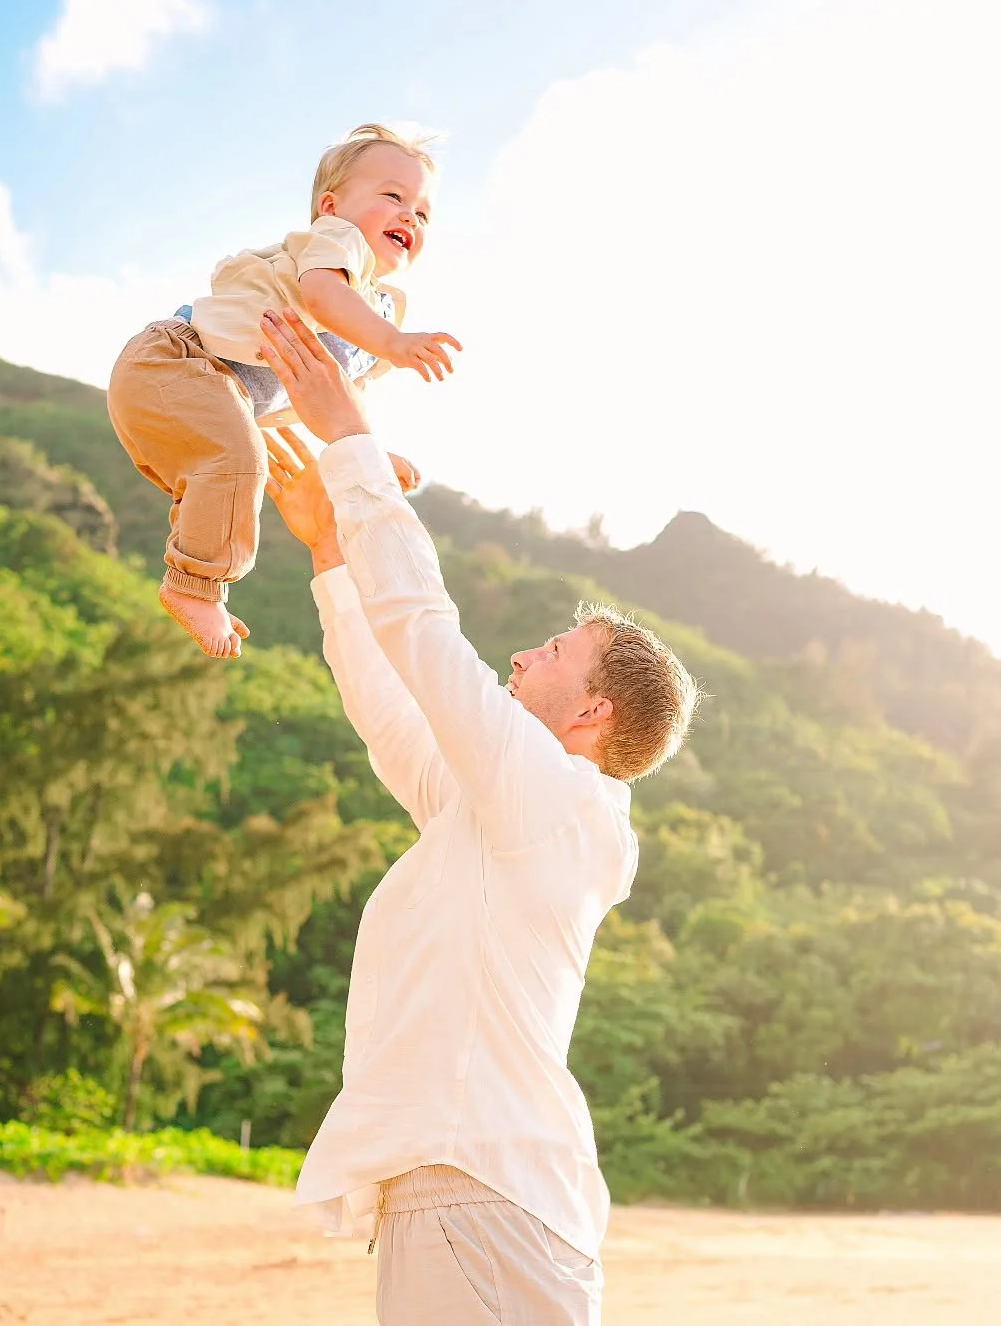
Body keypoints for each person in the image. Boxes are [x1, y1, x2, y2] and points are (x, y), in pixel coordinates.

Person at [255, 308, 699, 1325]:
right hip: (472, 1195)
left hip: (478, 1195)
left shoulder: (556, 799)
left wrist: (352, 441)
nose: (521, 658)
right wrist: (329, 557)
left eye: (551, 653)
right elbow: (394, 712)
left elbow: (424, 629)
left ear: (593, 712)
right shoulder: (504, 809)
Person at [106, 124, 461, 658]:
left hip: (210, 392)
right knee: (239, 460)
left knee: (234, 467)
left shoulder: (378, 309)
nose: (410, 214)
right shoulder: (335, 246)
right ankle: (194, 585)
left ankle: (196, 570)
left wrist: (368, 457)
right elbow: (322, 296)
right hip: (176, 362)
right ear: (331, 206)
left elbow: (339, 399)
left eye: (424, 211)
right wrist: (393, 341)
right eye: (393, 195)